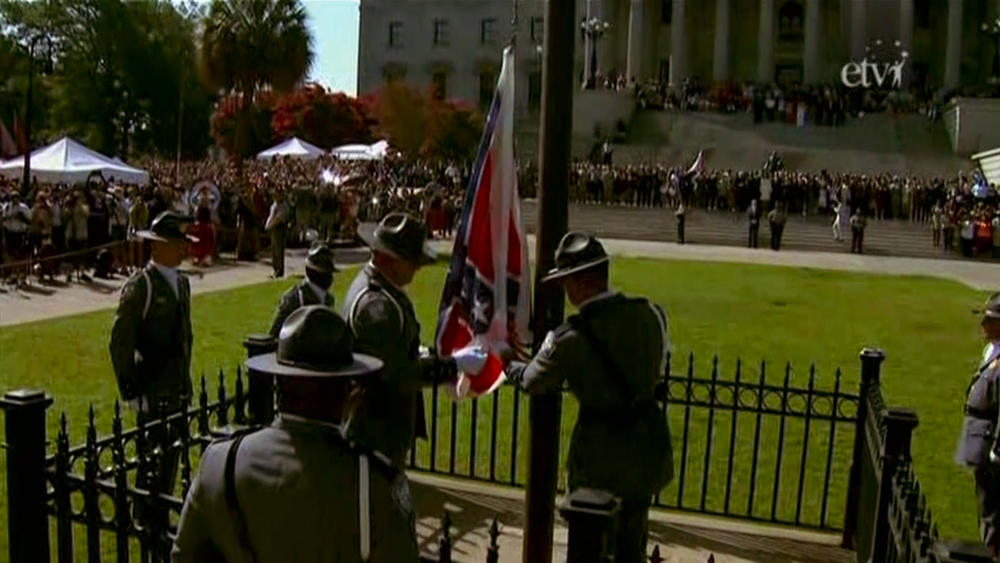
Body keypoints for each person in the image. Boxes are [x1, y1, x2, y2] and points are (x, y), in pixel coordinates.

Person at [172, 306, 419, 562]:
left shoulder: (220, 463)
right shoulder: (375, 485)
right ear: (347, 389)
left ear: (278, 381)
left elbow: (184, 556)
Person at [503, 232, 673, 563]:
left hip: (599, 456)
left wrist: (509, 361)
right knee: (632, 545)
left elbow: (533, 381)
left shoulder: (570, 337)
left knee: (589, 548)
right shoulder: (652, 314)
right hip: (646, 447)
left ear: (578, 284)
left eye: (567, 282)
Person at [342, 212, 479, 469]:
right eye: (412, 261)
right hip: (376, 432)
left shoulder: (380, 290)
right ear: (388, 259)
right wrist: (454, 365)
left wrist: (423, 353)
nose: (417, 267)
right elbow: (397, 373)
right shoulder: (376, 305)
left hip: (380, 429)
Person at [109, 211, 198, 520]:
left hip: (176, 388)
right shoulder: (141, 286)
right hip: (152, 388)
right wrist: (131, 389)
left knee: (171, 455)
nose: (184, 248)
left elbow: (185, 337)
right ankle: (144, 517)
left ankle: (158, 512)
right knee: (150, 458)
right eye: (178, 243)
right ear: (159, 246)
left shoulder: (182, 284)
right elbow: (120, 342)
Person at [956, 292, 1000, 558]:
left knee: (993, 511)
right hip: (979, 439)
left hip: (991, 448)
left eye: (990, 319)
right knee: (985, 505)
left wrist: (998, 450)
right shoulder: (992, 350)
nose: (983, 323)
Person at [268, 243, 338, 337]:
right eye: (327, 274)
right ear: (314, 273)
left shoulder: (329, 299)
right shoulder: (294, 298)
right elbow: (275, 335)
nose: (331, 279)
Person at [265, 188, 289, 278]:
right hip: (273, 228)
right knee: (274, 250)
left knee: (278, 250)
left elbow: (279, 218)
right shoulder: (274, 204)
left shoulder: (283, 205)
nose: (274, 196)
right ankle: (275, 269)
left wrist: (270, 225)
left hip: (279, 228)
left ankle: (279, 270)